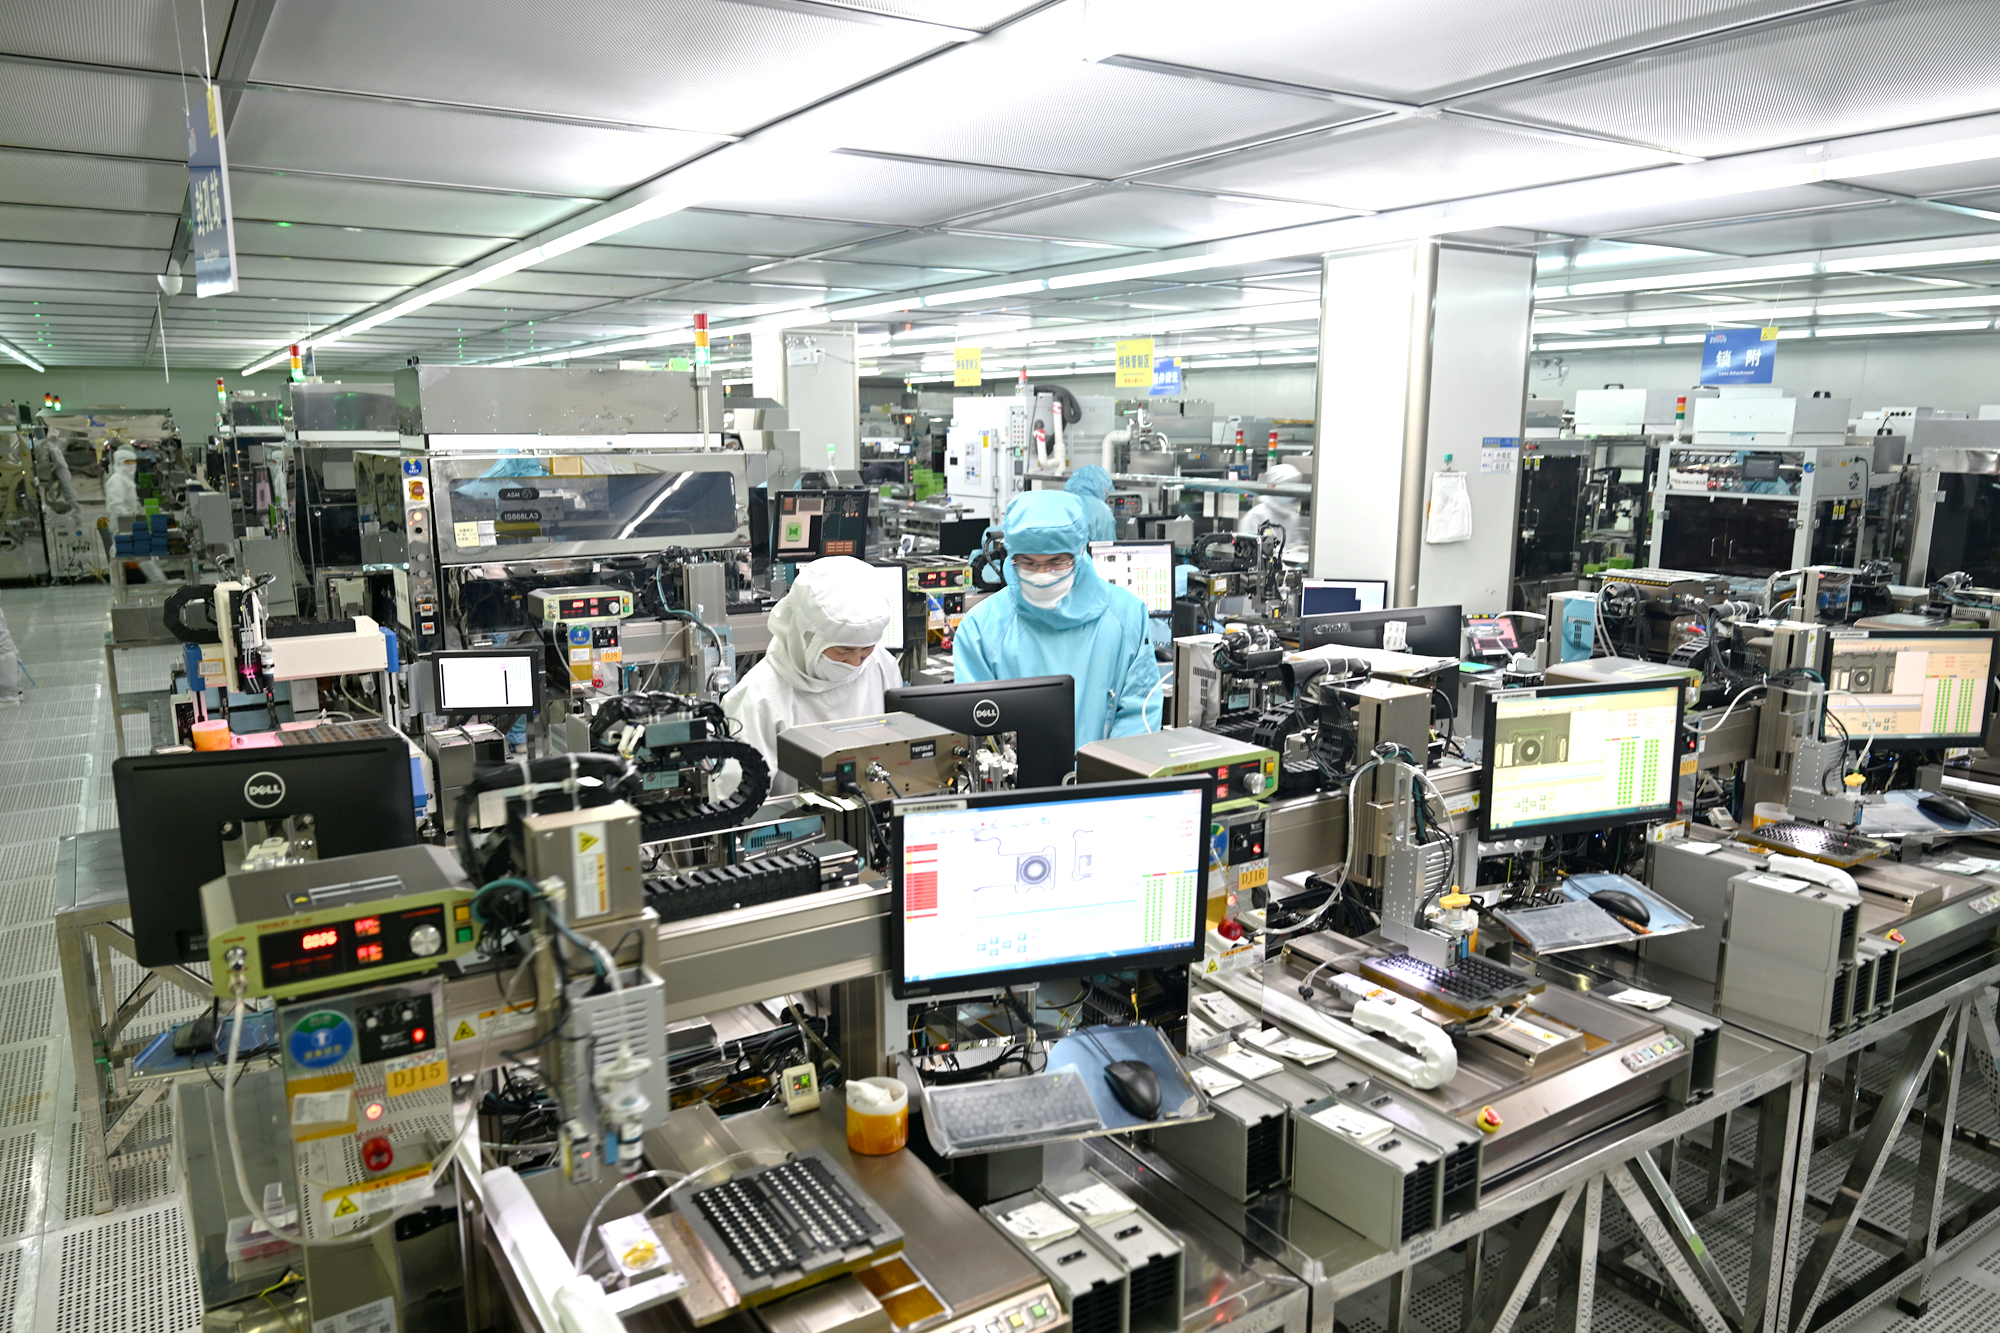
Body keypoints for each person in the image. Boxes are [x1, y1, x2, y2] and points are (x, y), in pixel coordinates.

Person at [953, 490, 1161, 746]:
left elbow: (1139, 718)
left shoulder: (1127, 616)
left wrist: (1104, 770)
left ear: (1080, 551)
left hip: (1108, 770)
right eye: (1028, 563)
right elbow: (977, 734)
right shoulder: (982, 630)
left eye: (1056, 563)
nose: (1042, 575)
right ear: (1010, 556)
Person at [723, 555, 902, 797]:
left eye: (866, 648)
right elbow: (737, 802)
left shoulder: (880, 664)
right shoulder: (758, 697)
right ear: (808, 637)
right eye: (844, 650)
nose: (856, 661)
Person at [103, 447, 166, 583]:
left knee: (139, 555)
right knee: (130, 554)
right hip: (122, 525)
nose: (131, 465)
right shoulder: (117, 479)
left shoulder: (126, 480)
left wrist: (142, 511)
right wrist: (129, 520)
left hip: (129, 524)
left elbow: (132, 502)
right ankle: (159, 582)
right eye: (127, 462)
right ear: (119, 462)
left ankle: (159, 581)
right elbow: (116, 504)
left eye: (133, 461)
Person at [1237, 462, 1308, 561]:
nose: (1290, 493)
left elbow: (1295, 545)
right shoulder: (1257, 515)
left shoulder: (1292, 517)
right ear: (1274, 487)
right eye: (1286, 488)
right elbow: (1247, 551)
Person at [1063, 464, 1118, 543]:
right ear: (1102, 488)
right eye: (1106, 490)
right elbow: (1108, 545)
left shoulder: (1062, 501)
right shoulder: (1102, 510)